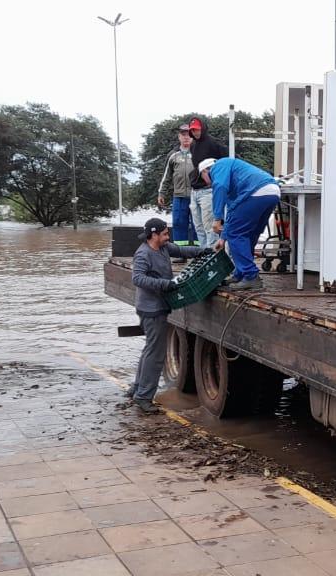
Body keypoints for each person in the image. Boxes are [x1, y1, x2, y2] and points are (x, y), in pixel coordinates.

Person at [129, 217, 210, 413]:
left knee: (150, 349)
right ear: (154, 235)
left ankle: (137, 388)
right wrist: (167, 284)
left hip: (158, 306)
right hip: (151, 309)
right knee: (156, 355)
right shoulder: (143, 254)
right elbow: (137, 278)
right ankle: (144, 397)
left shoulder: (163, 248)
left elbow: (182, 251)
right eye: (165, 234)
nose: (168, 237)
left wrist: (205, 250)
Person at [198, 157, 280, 291]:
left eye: (203, 178)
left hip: (255, 192)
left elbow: (219, 186)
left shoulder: (219, 166)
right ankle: (241, 274)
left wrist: (217, 218)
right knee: (249, 235)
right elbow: (232, 213)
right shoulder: (235, 180)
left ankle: (250, 275)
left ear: (205, 171)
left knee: (236, 234)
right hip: (272, 192)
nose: (206, 183)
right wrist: (223, 238)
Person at [187, 116, 227, 248]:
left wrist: (213, 179)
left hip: (208, 191)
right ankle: (203, 254)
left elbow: (228, 158)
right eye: (192, 130)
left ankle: (212, 256)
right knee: (198, 227)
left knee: (210, 227)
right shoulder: (193, 146)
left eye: (197, 130)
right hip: (195, 191)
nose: (195, 133)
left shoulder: (213, 143)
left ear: (202, 129)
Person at [157, 124, 198, 255]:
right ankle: (180, 253)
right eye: (183, 135)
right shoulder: (173, 155)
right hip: (179, 196)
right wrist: (161, 193)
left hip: (197, 195)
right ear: (179, 137)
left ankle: (200, 252)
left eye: (188, 135)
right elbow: (166, 176)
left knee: (198, 224)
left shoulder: (199, 153)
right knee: (179, 223)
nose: (186, 138)